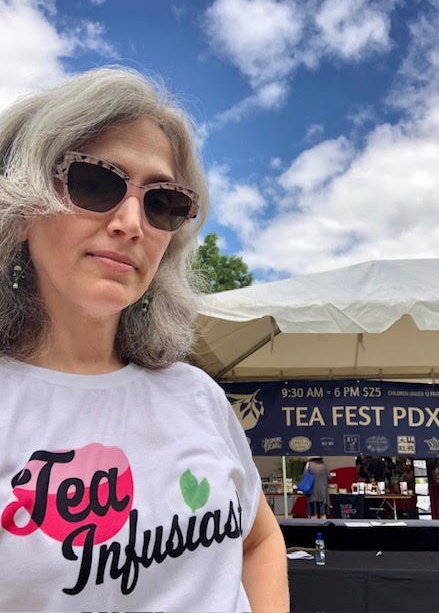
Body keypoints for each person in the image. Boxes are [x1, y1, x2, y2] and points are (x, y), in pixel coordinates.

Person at [0, 67, 288, 612]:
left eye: (162, 202)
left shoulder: (197, 396)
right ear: (20, 211)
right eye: (94, 181)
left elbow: (260, 539)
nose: (131, 222)